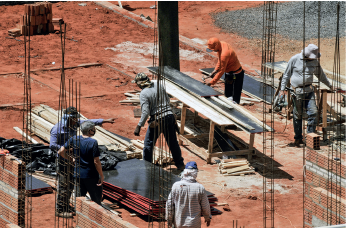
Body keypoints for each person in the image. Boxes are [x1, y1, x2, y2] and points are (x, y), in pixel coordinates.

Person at [50, 106, 115, 218]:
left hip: (73, 159)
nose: (76, 121)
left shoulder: (75, 123)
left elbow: (88, 123)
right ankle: (60, 209)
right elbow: (52, 145)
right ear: (69, 118)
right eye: (74, 118)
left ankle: (65, 205)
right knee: (64, 184)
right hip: (63, 159)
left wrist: (104, 121)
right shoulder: (57, 129)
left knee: (71, 184)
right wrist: (69, 149)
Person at [279, 44, 333, 147]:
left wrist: (330, 86)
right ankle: (298, 138)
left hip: (309, 90)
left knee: (313, 113)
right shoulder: (294, 59)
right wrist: (282, 90)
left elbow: (321, 76)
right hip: (297, 91)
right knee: (298, 116)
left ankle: (310, 138)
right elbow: (286, 75)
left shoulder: (314, 62)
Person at [132, 73, 185, 171]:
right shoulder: (159, 85)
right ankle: (180, 164)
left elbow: (145, 112)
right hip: (169, 116)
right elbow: (167, 100)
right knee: (173, 143)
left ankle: (147, 167)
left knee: (148, 144)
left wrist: (139, 126)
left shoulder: (144, 93)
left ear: (140, 84)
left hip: (157, 120)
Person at [58, 121, 104, 208]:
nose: (94, 131)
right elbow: (96, 161)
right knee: (96, 201)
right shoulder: (93, 142)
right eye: (93, 129)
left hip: (78, 174)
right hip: (91, 176)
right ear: (90, 130)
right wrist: (101, 175)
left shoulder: (74, 139)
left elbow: (61, 151)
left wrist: (71, 159)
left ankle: (80, 218)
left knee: (79, 200)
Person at [166, 161, 211, 228]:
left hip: (179, 224)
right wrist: (207, 217)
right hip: (194, 224)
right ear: (195, 173)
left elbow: (169, 204)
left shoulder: (176, 186)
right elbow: (205, 206)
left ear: (185, 172)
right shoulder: (200, 188)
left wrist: (169, 219)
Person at [206, 37, 244, 104]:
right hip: (229, 72)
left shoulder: (224, 54)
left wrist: (211, 82)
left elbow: (221, 71)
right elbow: (220, 60)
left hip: (236, 74)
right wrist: (215, 70)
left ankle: (235, 109)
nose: (213, 51)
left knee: (236, 94)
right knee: (228, 93)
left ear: (216, 45)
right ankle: (228, 102)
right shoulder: (222, 44)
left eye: (213, 49)